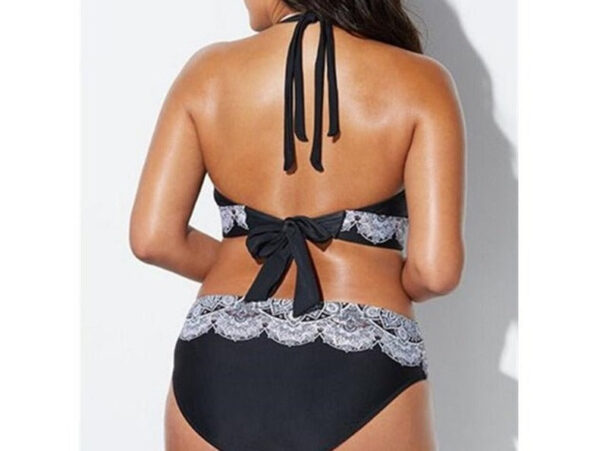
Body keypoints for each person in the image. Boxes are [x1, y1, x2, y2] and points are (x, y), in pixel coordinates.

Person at [130, 0, 465, 449]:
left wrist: (239, 261)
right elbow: (435, 271)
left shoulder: (206, 74)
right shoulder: (421, 81)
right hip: (362, 362)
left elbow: (153, 239)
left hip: (217, 362)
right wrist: (373, 270)